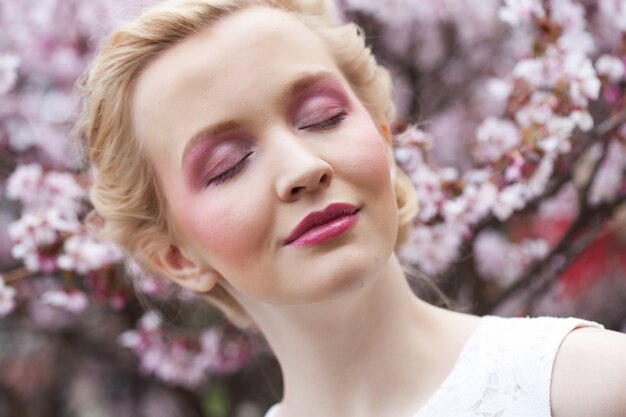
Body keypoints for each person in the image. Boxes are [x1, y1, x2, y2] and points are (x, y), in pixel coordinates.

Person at [74, 0, 626, 416]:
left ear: (382, 136)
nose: (303, 168)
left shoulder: (593, 387)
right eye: (226, 165)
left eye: (322, 117)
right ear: (175, 259)